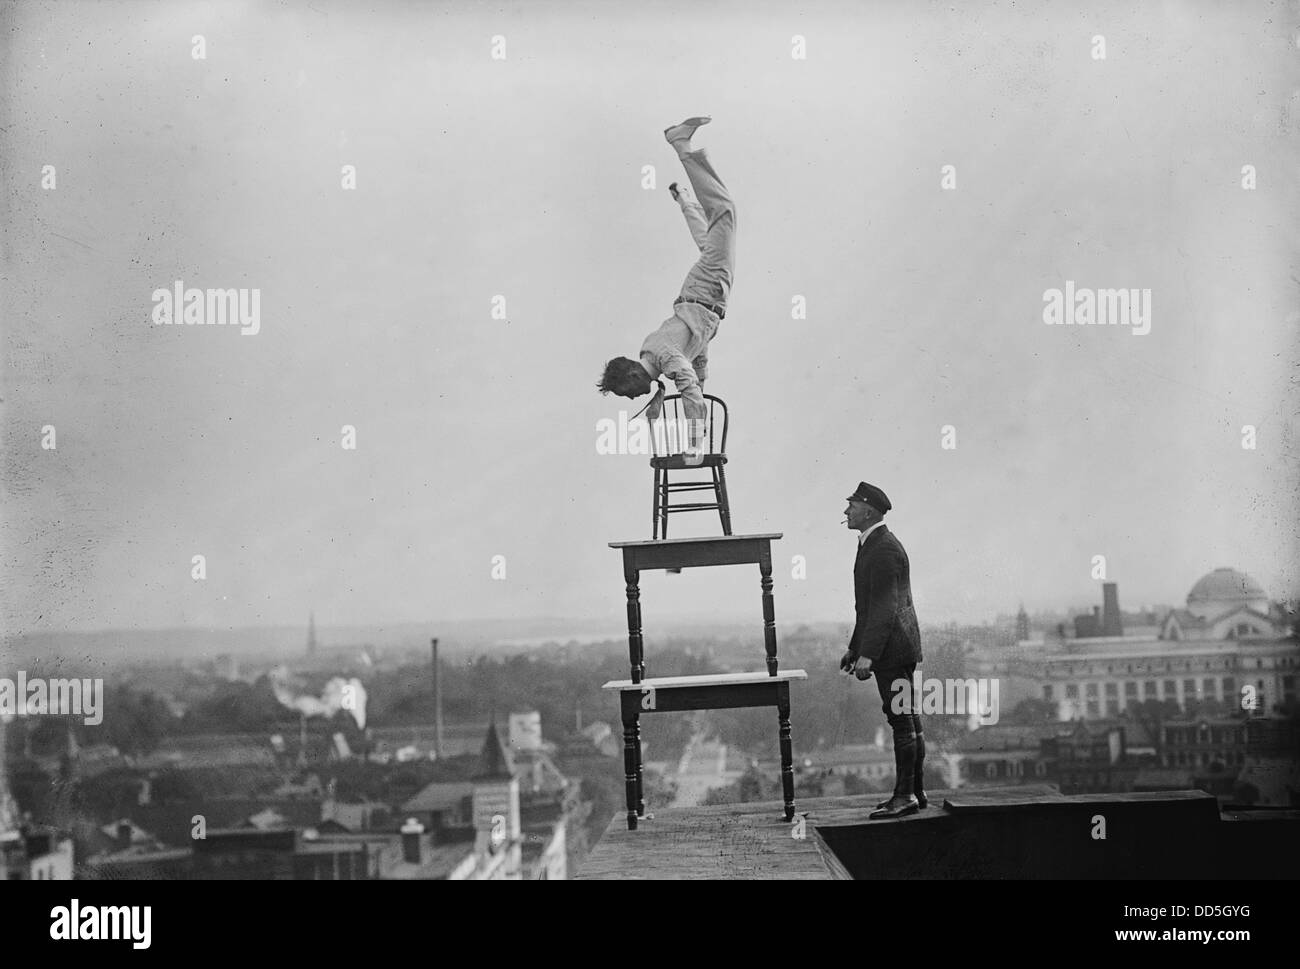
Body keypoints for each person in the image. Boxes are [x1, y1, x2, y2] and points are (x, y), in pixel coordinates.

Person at [597, 116, 737, 461]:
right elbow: (697, 357)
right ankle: (684, 198)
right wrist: (696, 387)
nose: (631, 398)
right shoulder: (663, 355)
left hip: (706, 293)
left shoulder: (662, 354)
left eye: (626, 392)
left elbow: (687, 380)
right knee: (708, 240)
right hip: (705, 298)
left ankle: (681, 145)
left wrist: (694, 440)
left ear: (632, 373)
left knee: (725, 212)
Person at [838, 482, 926, 819]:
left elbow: (885, 609)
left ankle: (905, 797)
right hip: (894, 647)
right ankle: (915, 793)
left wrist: (869, 654)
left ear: (869, 511)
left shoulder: (883, 549)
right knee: (907, 721)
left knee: (902, 722)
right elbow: (868, 607)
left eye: (852, 506)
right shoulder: (873, 544)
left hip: (892, 650)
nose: (846, 512)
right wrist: (854, 648)